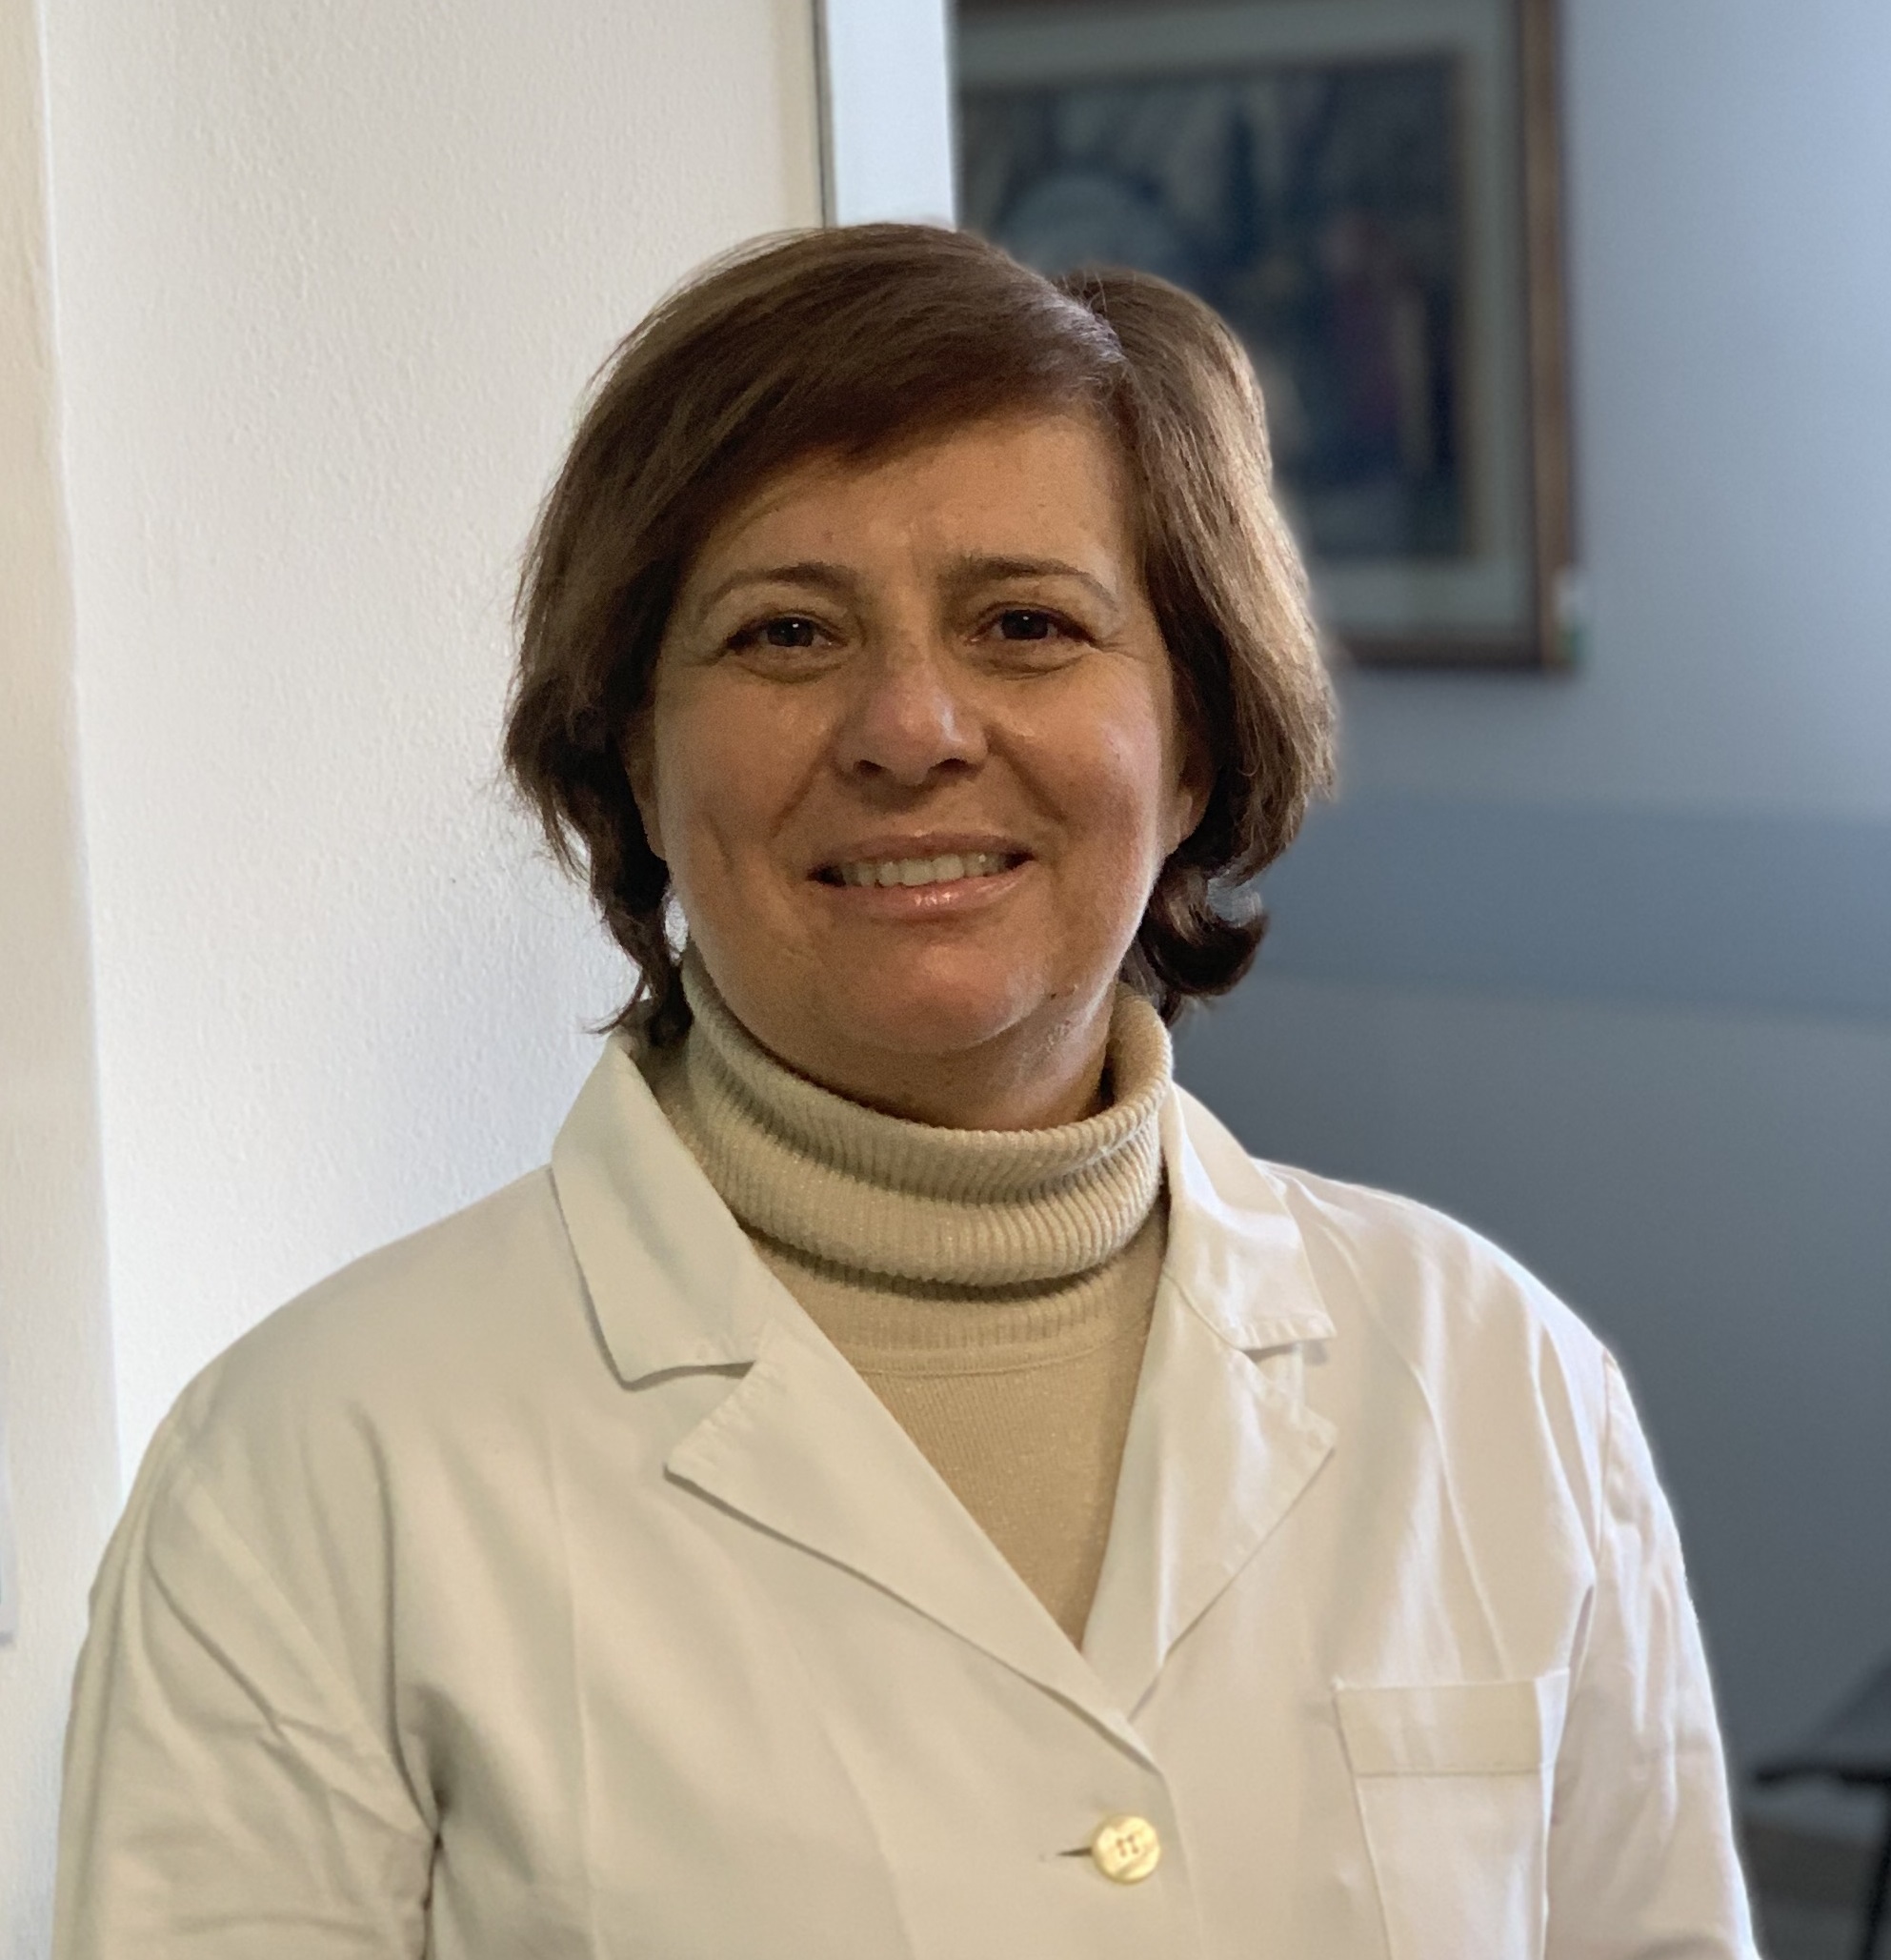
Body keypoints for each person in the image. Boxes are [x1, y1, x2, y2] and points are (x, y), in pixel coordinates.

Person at [53, 224, 1758, 1958]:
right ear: (635, 755)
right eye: (785, 633)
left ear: (1194, 742)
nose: (910, 727)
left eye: (1026, 623)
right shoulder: (309, 1470)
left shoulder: (1498, 1382)